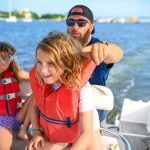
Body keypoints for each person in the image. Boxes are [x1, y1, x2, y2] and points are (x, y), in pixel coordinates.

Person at [25, 31, 103, 150]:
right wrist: (36, 132)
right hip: (56, 131)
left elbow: (86, 134)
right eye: (39, 62)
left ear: (66, 63)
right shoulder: (41, 81)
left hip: (84, 130)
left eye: (51, 63)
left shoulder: (81, 87)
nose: (43, 71)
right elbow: (34, 107)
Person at [66, 5, 123, 121]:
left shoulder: (98, 47)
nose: (75, 27)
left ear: (91, 27)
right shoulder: (61, 48)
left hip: (92, 118)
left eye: (81, 23)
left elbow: (117, 53)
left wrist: (105, 49)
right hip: (62, 115)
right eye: (70, 22)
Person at [0, 41, 33, 150]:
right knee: (4, 141)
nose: (0, 62)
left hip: (19, 117)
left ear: (10, 60)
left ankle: (25, 130)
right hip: (2, 123)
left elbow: (34, 76)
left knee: (36, 95)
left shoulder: (15, 72)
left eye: (4, 59)